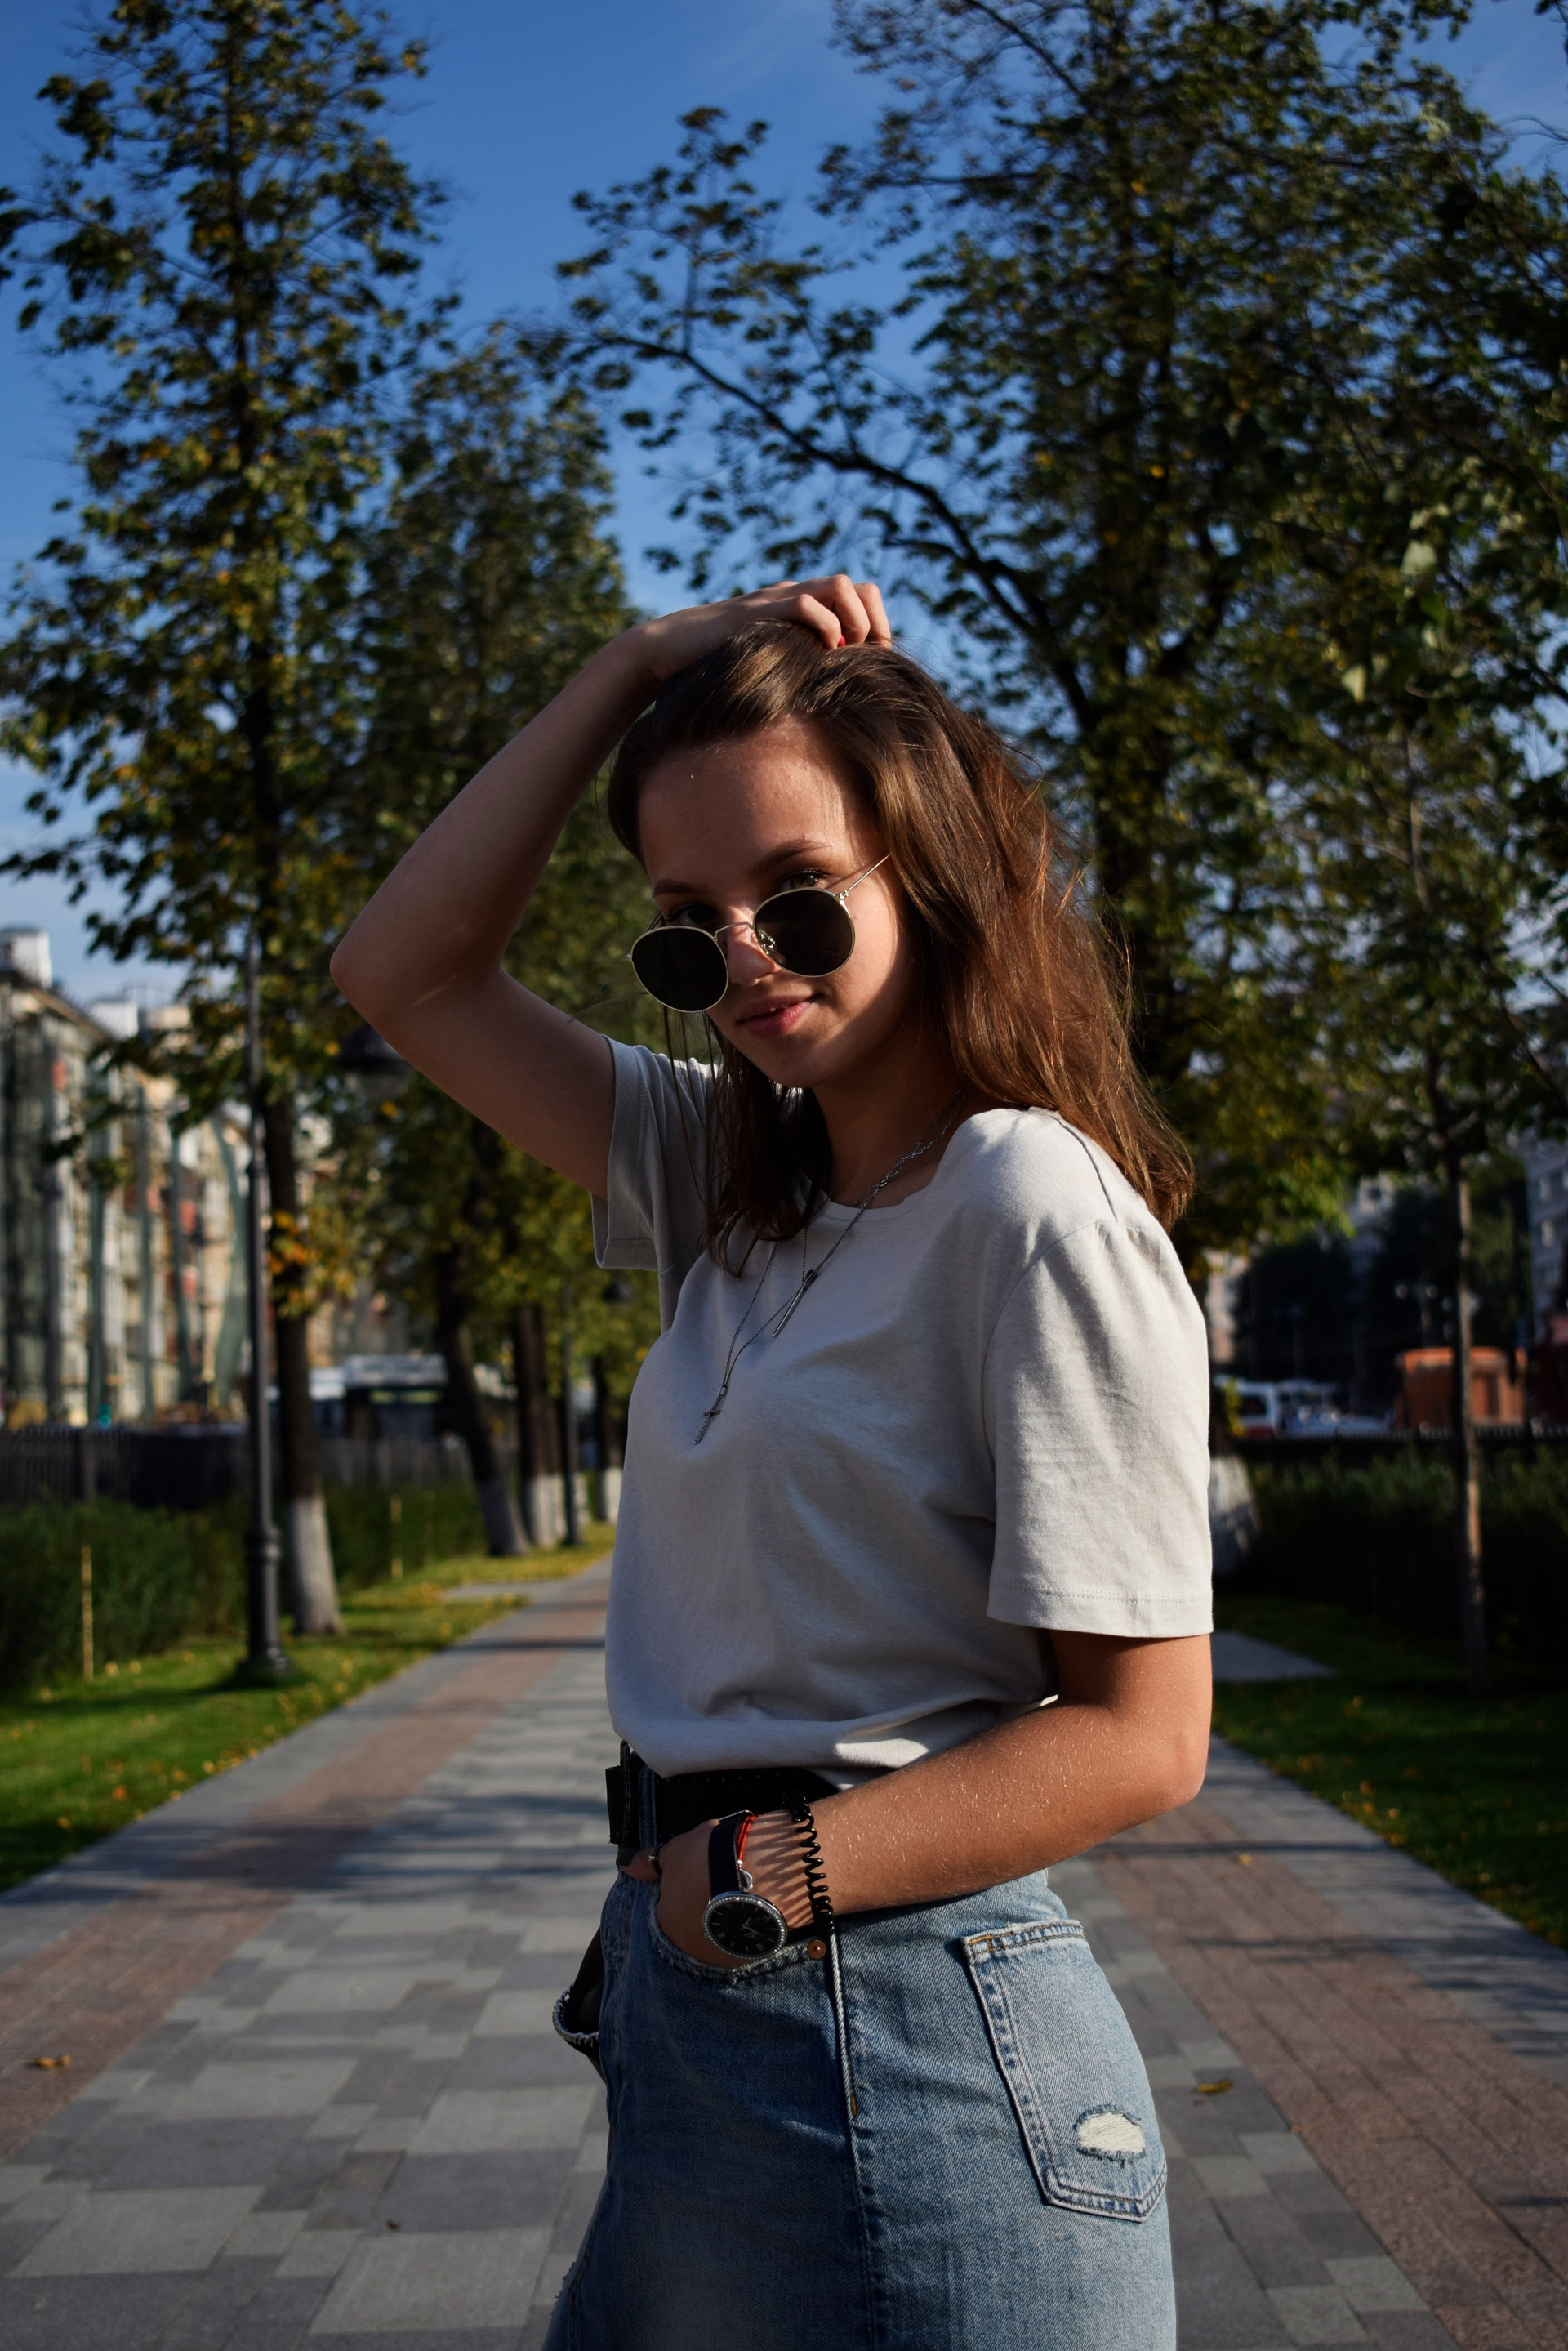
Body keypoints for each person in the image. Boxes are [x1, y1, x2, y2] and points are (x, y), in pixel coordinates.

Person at [332, 576, 1214, 2349]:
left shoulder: (1029, 1197)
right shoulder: (731, 1181)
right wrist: (628, 666)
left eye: (798, 895)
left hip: (911, 2030)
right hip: (705, 2016)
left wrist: (765, 1878)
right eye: (686, 926)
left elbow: (1146, 1732)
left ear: (928, 870)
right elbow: (401, 971)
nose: (745, 958)